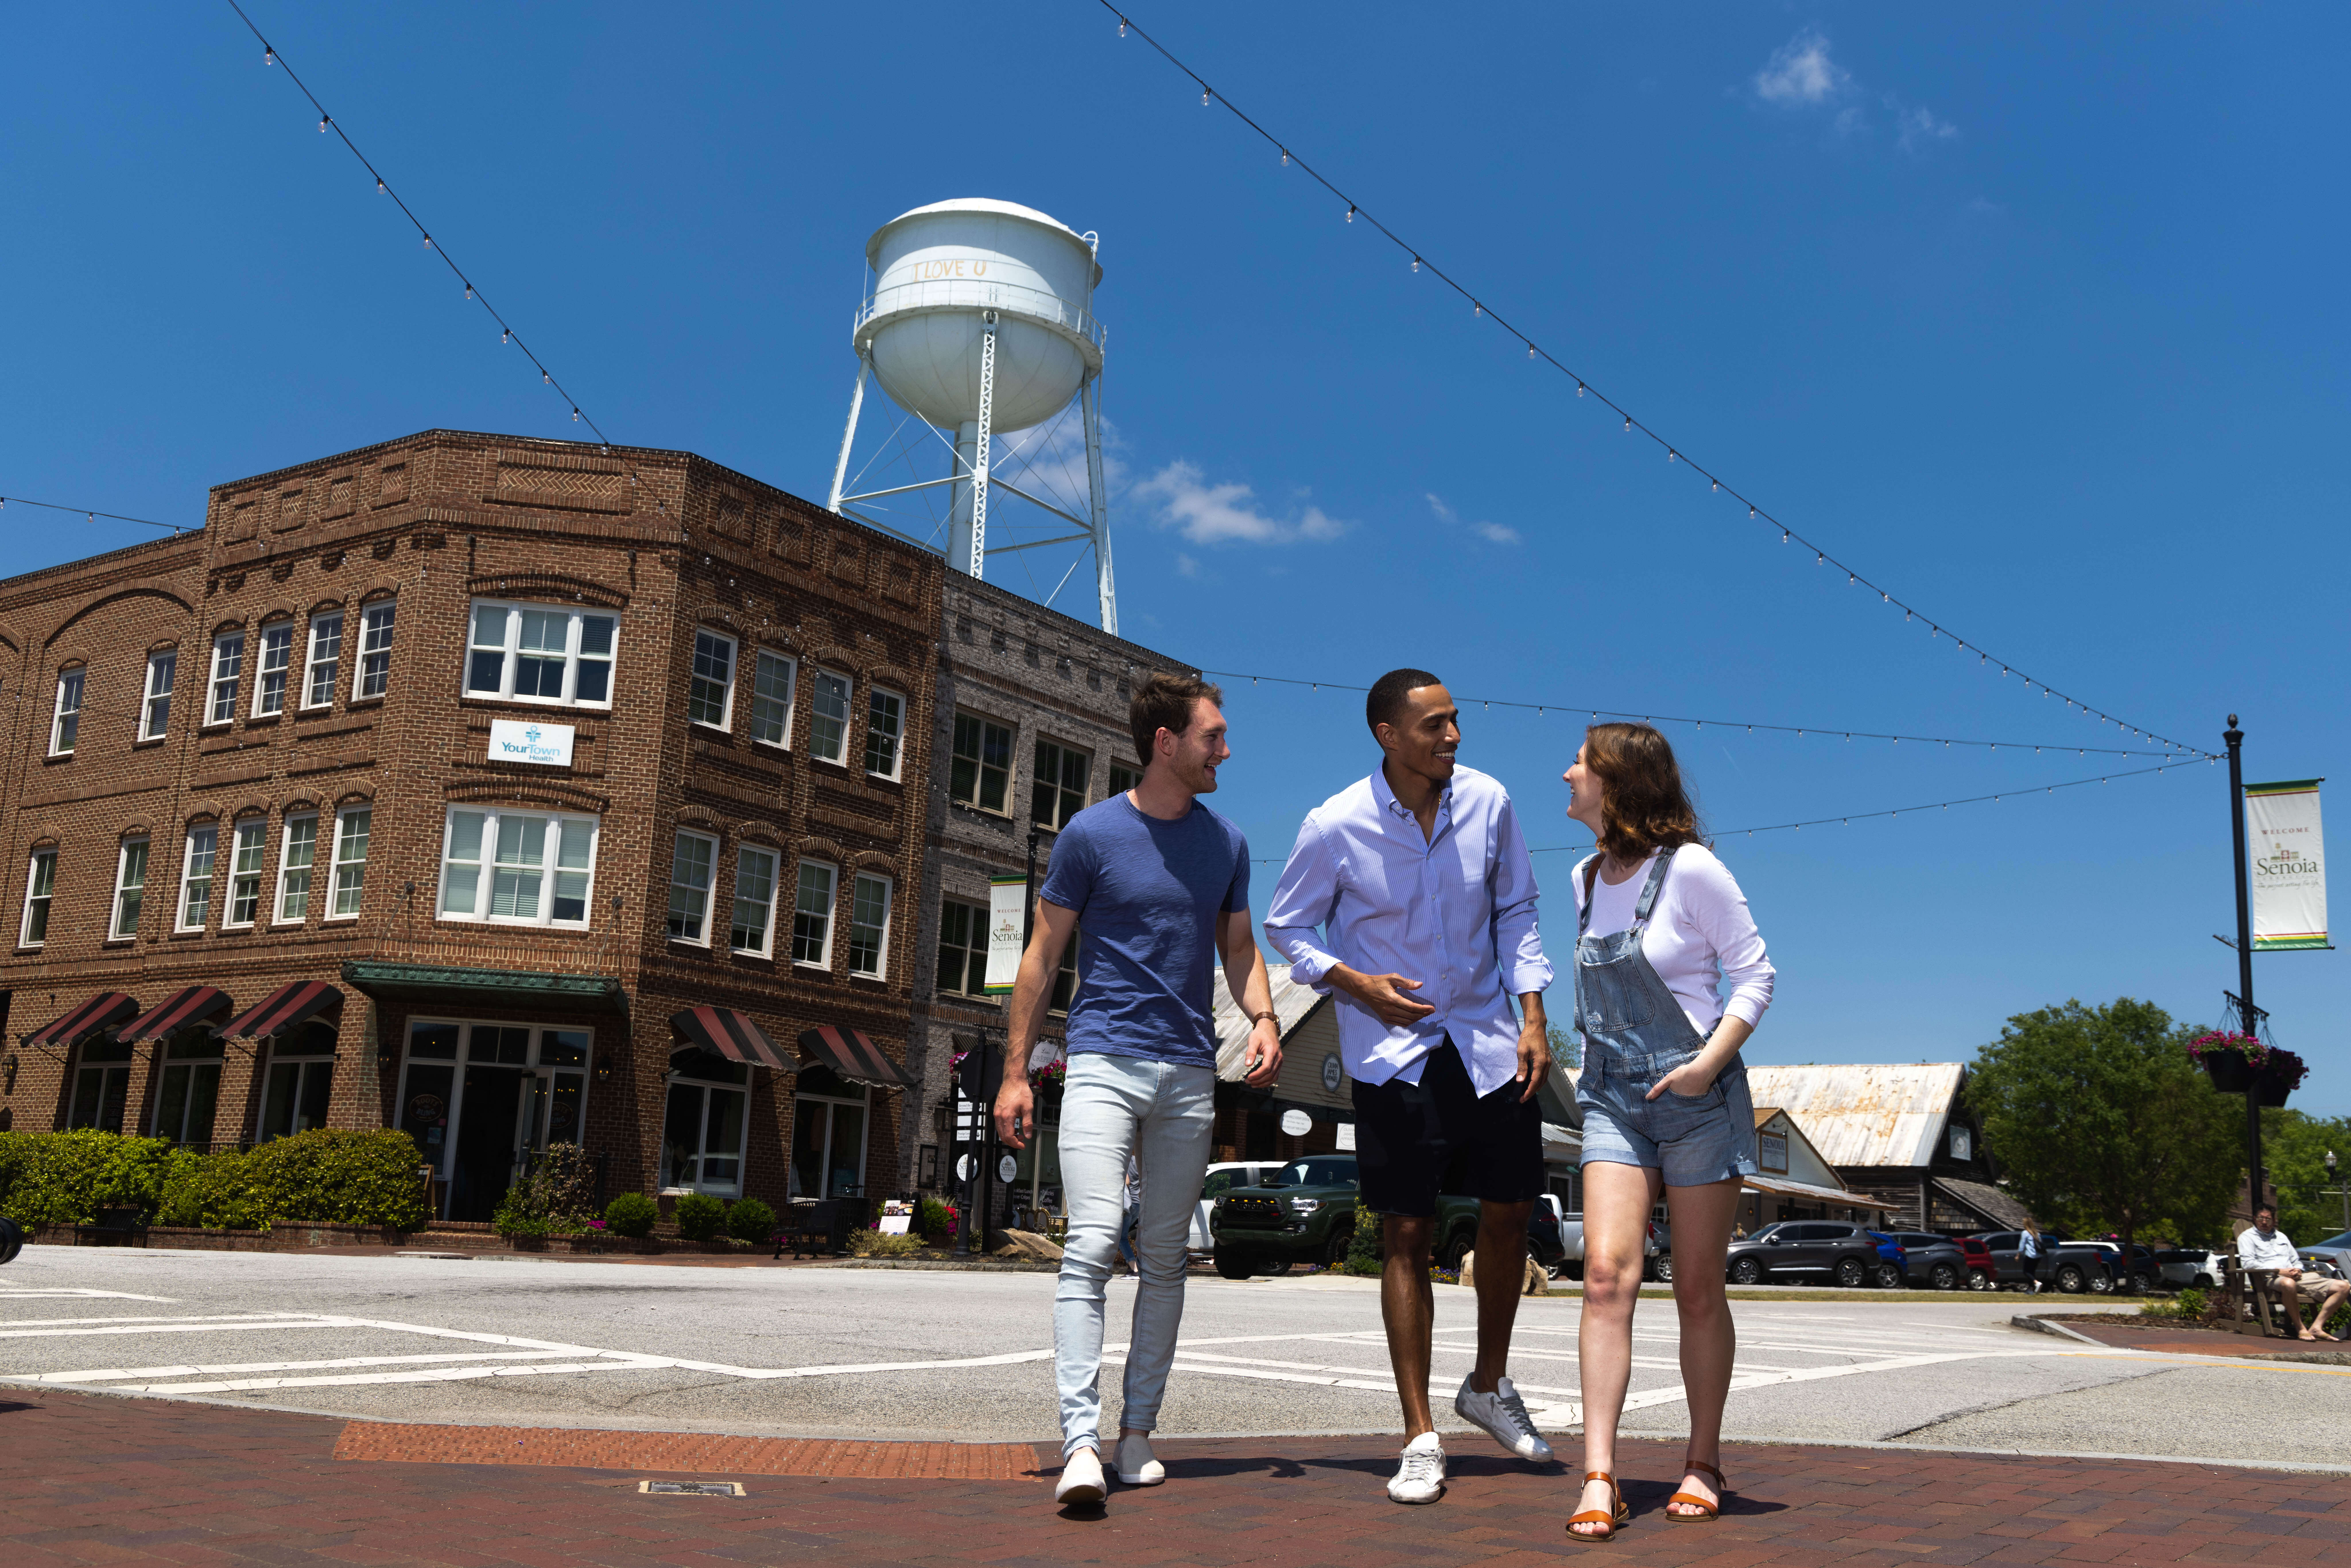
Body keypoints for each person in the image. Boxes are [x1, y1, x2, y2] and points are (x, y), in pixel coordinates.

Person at [1264, 669, 1555, 1506]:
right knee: (1406, 1233)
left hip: (1490, 1040)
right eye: (1434, 726)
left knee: (1510, 1212)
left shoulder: (1491, 803)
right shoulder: (1335, 824)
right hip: (1392, 1052)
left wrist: (1533, 1015)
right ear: (1388, 735)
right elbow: (1289, 925)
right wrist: (1356, 984)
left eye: (1456, 721)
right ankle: (1420, 1434)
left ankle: (1488, 1385)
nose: (1453, 737)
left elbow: (1519, 913)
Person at [994, 673, 1283, 1507]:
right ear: (1167, 741)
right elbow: (1041, 959)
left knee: (1165, 1259)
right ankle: (1080, 1443)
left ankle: (1136, 1436)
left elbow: (1238, 945)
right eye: (1213, 736)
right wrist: (1016, 1072)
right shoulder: (1090, 836)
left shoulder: (1225, 843)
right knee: (1089, 1244)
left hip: (1190, 1072)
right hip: (1102, 1062)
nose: (1226, 749)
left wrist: (1262, 1017)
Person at [1561, 723, 1773, 1541]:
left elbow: (1757, 973)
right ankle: (1601, 1474)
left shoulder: (1693, 870)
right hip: (1614, 1098)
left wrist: (1703, 1065)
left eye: (1581, 763)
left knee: (1695, 1290)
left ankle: (1703, 1460)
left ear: (1620, 783)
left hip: (1696, 1099)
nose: (1567, 773)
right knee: (1606, 1277)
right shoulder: (1582, 878)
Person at [2239, 1205, 2349, 1341]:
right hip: (2270, 1278)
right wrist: (2279, 1271)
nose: (2264, 1222)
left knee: (2343, 1287)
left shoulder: (2281, 1237)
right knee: (2288, 1283)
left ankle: (2317, 1327)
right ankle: (2301, 1328)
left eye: (2268, 1219)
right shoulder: (2247, 1237)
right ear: (2255, 1219)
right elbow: (2248, 1263)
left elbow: (2296, 1260)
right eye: (2261, 1218)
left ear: (2274, 1221)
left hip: (2295, 1277)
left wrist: (2298, 1269)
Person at [2020, 1220, 2044, 1295]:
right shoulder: (2037, 1233)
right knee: (2032, 1272)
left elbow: (2022, 1245)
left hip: (2030, 1255)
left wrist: (2019, 1254)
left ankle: (2037, 1283)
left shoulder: (2025, 1233)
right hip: (2038, 1256)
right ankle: (2031, 1290)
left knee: (2026, 1271)